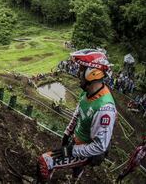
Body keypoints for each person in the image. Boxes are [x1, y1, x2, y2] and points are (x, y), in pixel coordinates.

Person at [37, 49, 117, 182]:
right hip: (77, 140)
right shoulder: (86, 93)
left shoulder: (105, 108)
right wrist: (67, 133)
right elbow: (77, 114)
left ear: (92, 73)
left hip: (88, 152)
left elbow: (99, 146)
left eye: (81, 69)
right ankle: (74, 179)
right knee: (75, 168)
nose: (77, 73)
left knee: (45, 161)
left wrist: (71, 151)